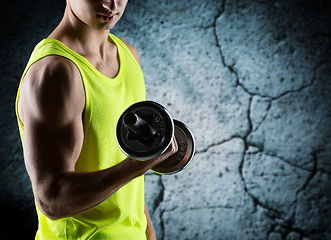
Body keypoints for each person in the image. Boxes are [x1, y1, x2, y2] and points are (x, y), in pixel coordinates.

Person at [15, 0, 178, 239]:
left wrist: (148, 234)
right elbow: (52, 199)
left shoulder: (128, 55)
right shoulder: (56, 72)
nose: (111, 3)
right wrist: (137, 165)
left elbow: (126, 187)